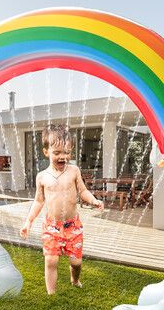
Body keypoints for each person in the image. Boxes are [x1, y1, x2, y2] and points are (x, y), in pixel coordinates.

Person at [20, 124, 104, 294]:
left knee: (76, 262)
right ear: (46, 152)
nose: (62, 156)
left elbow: (82, 191)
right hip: (52, 227)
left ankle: (75, 279)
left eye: (66, 152)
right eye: (57, 152)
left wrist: (93, 200)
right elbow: (38, 201)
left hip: (73, 226)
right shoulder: (42, 177)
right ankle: (51, 293)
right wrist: (28, 222)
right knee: (51, 261)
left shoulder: (74, 171)